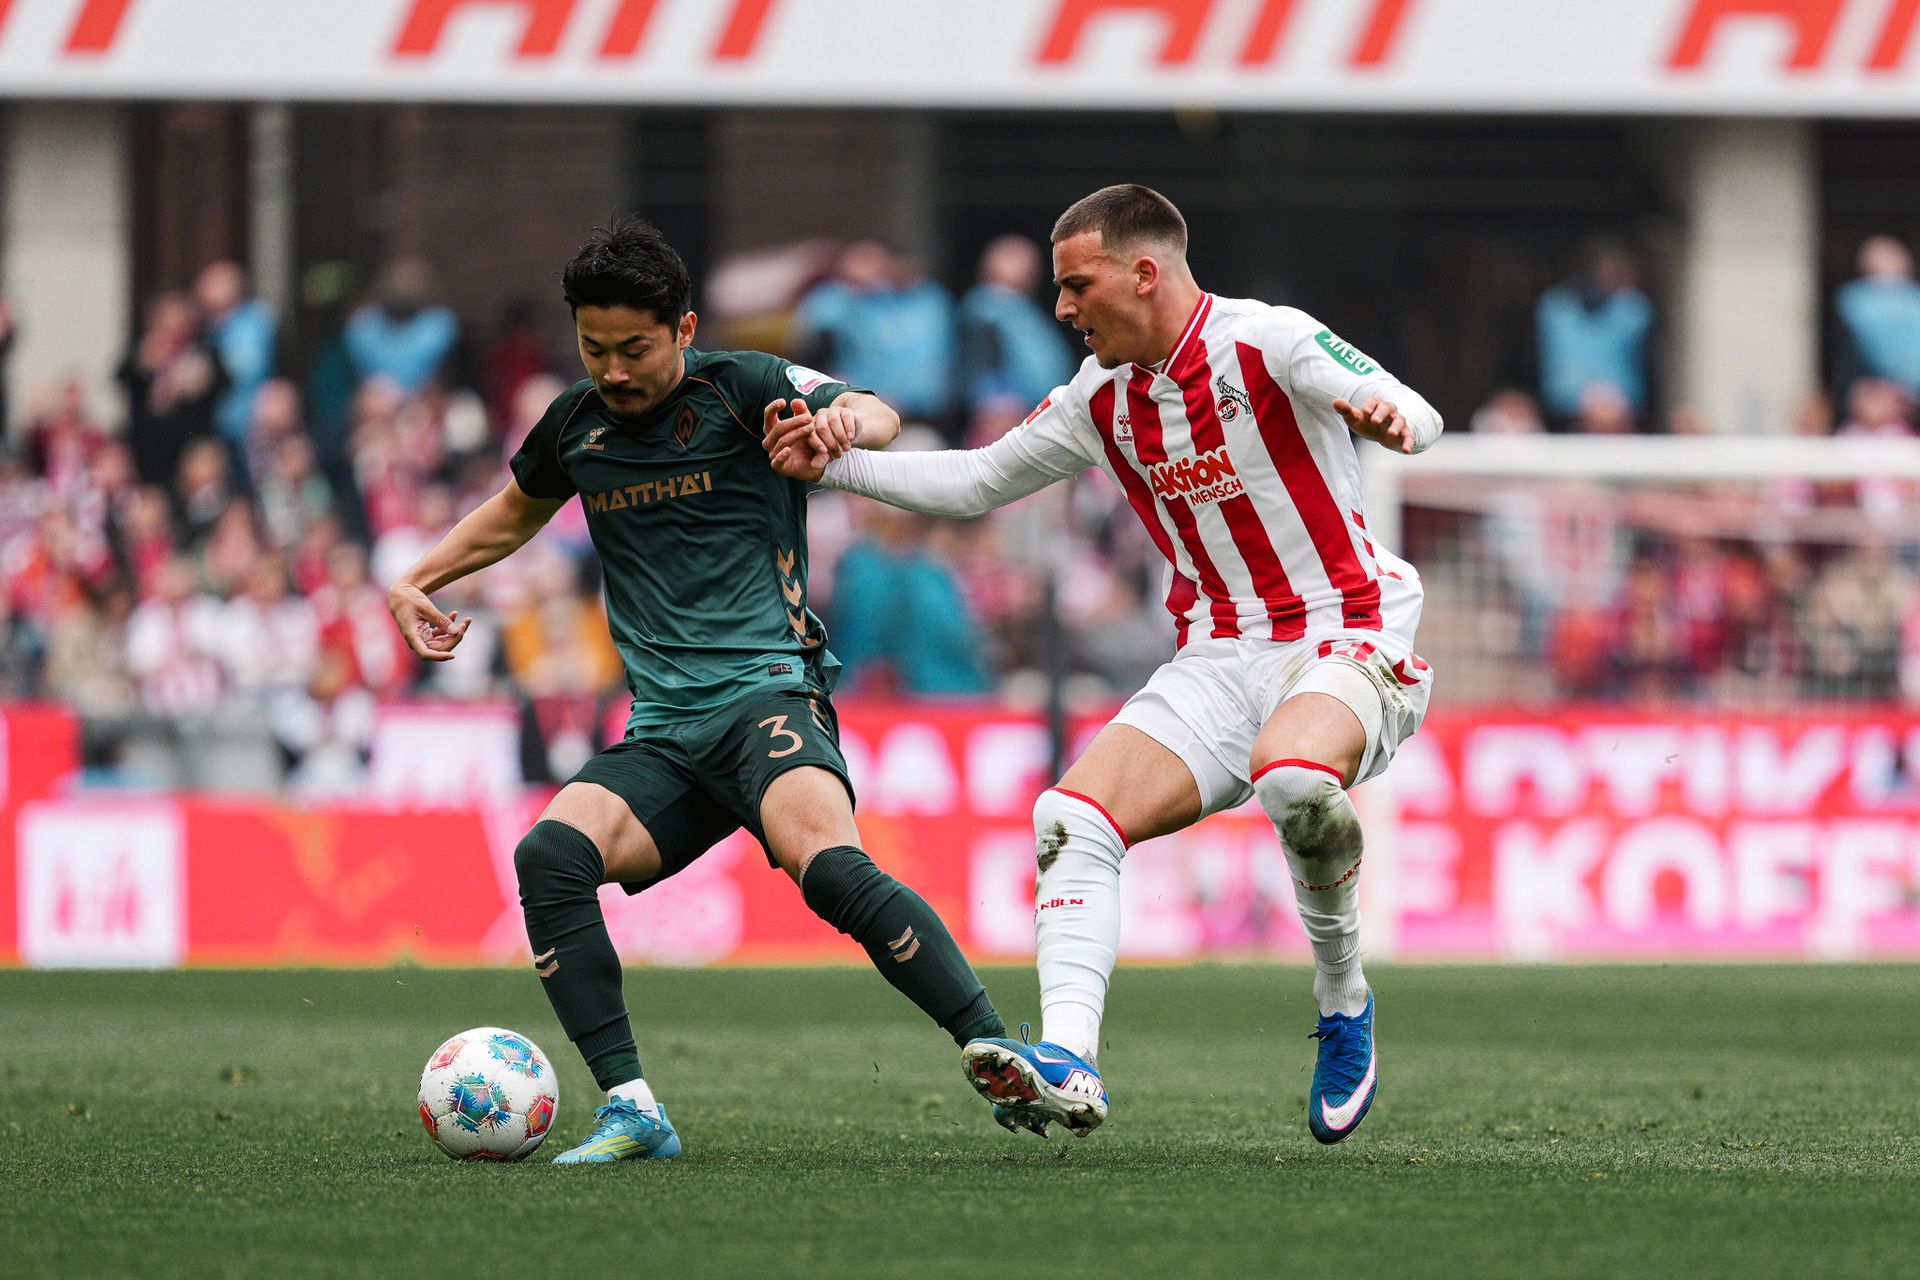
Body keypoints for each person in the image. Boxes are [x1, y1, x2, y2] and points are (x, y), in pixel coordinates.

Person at [768, 184, 1443, 1144]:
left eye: (1075, 285)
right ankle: (1071, 1062)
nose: (1061, 309)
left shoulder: (1269, 339)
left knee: (1295, 780)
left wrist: (1393, 419)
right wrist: (829, 468)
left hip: (1348, 629)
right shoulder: (1101, 398)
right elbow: (974, 481)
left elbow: (1413, 410)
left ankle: (1343, 1003)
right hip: (1219, 653)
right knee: (1070, 817)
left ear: (1144, 272)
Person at [387, 218, 1010, 1164]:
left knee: (830, 869)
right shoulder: (576, 425)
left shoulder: (746, 387)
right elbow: (512, 512)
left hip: (769, 697)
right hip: (666, 733)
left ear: (682, 330)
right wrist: (417, 579)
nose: (615, 371)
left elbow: (874, 412)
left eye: (634, 349)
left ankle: (994, 1046)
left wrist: (842, 425)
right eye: (595, 350)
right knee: (550, 857)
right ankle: (634, 1109)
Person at [1535, 238, 1653, 426]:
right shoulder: (1555, 307)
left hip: (1623, 410)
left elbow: (1646, 363)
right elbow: (1544, 359)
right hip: (1566, 410)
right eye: (1606, 271)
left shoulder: (1634, 309)